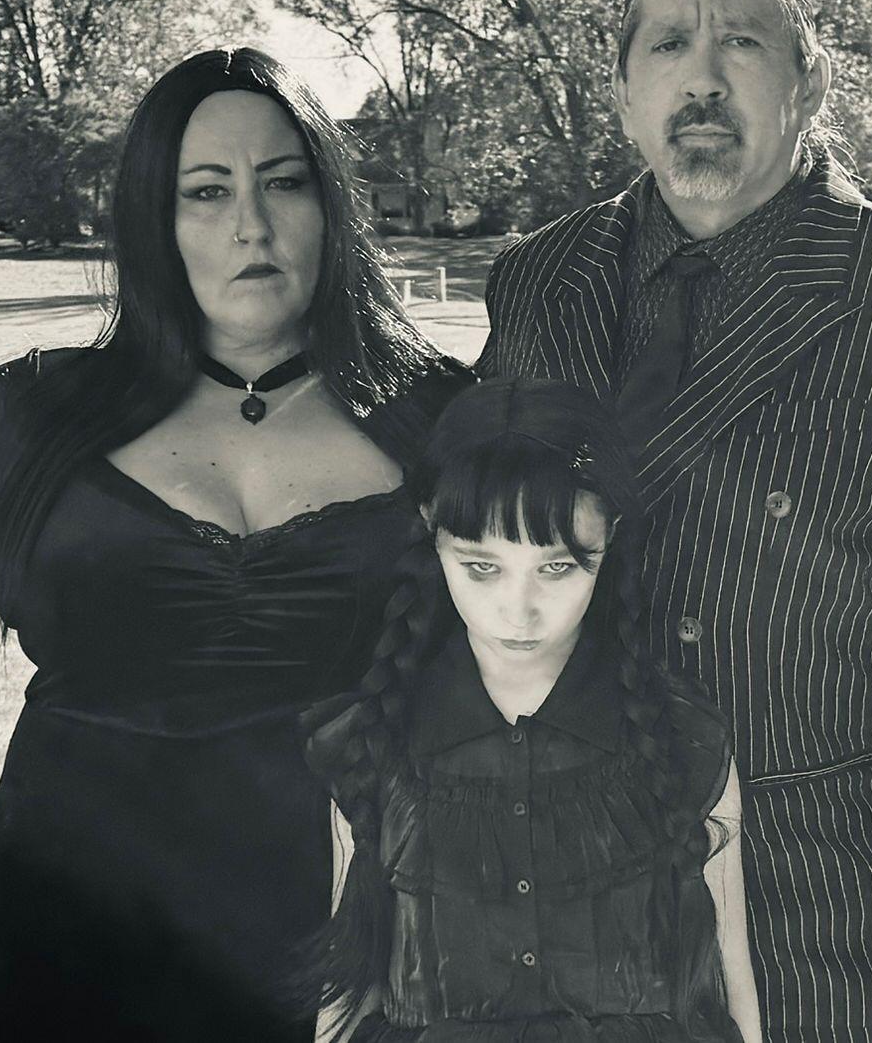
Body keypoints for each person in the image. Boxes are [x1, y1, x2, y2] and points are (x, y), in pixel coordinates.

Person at [477, 0, 872, 1043]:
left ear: (811, 80)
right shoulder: (540, 284)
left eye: (742, 41)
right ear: (623, 90)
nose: (702, 78)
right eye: (669, 43)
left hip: (829, 940)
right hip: (556, 927)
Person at [0, 47, 469, 1041]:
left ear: (331, 206)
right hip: (62, 950)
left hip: (334, 964)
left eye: (283, 183)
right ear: (155, 219)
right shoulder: (38, 416)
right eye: (206, 191)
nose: (250, 225)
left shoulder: (442, 422)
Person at [301, 377, 763, 1043]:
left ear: (609, 537)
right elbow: (345, 996)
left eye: (557, 568)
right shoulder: (371, 741)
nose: (518, 612)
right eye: (482, 567)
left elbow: (731, 980)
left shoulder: (684, 737)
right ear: (431, 529)